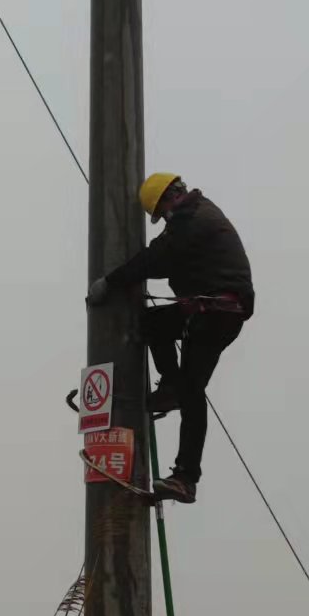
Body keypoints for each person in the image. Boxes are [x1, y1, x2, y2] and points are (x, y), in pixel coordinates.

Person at [87, 174, 254, 504]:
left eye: (161, 213)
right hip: (211, 309)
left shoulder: (192, 220)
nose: (163, 219)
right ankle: (170, 387)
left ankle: (186, 477)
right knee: (154, 325)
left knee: (192, 390)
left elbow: (155, 259)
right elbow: (164, 259)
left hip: (214, 313)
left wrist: (110, 282)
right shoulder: (197, 213)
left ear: (170, 199)